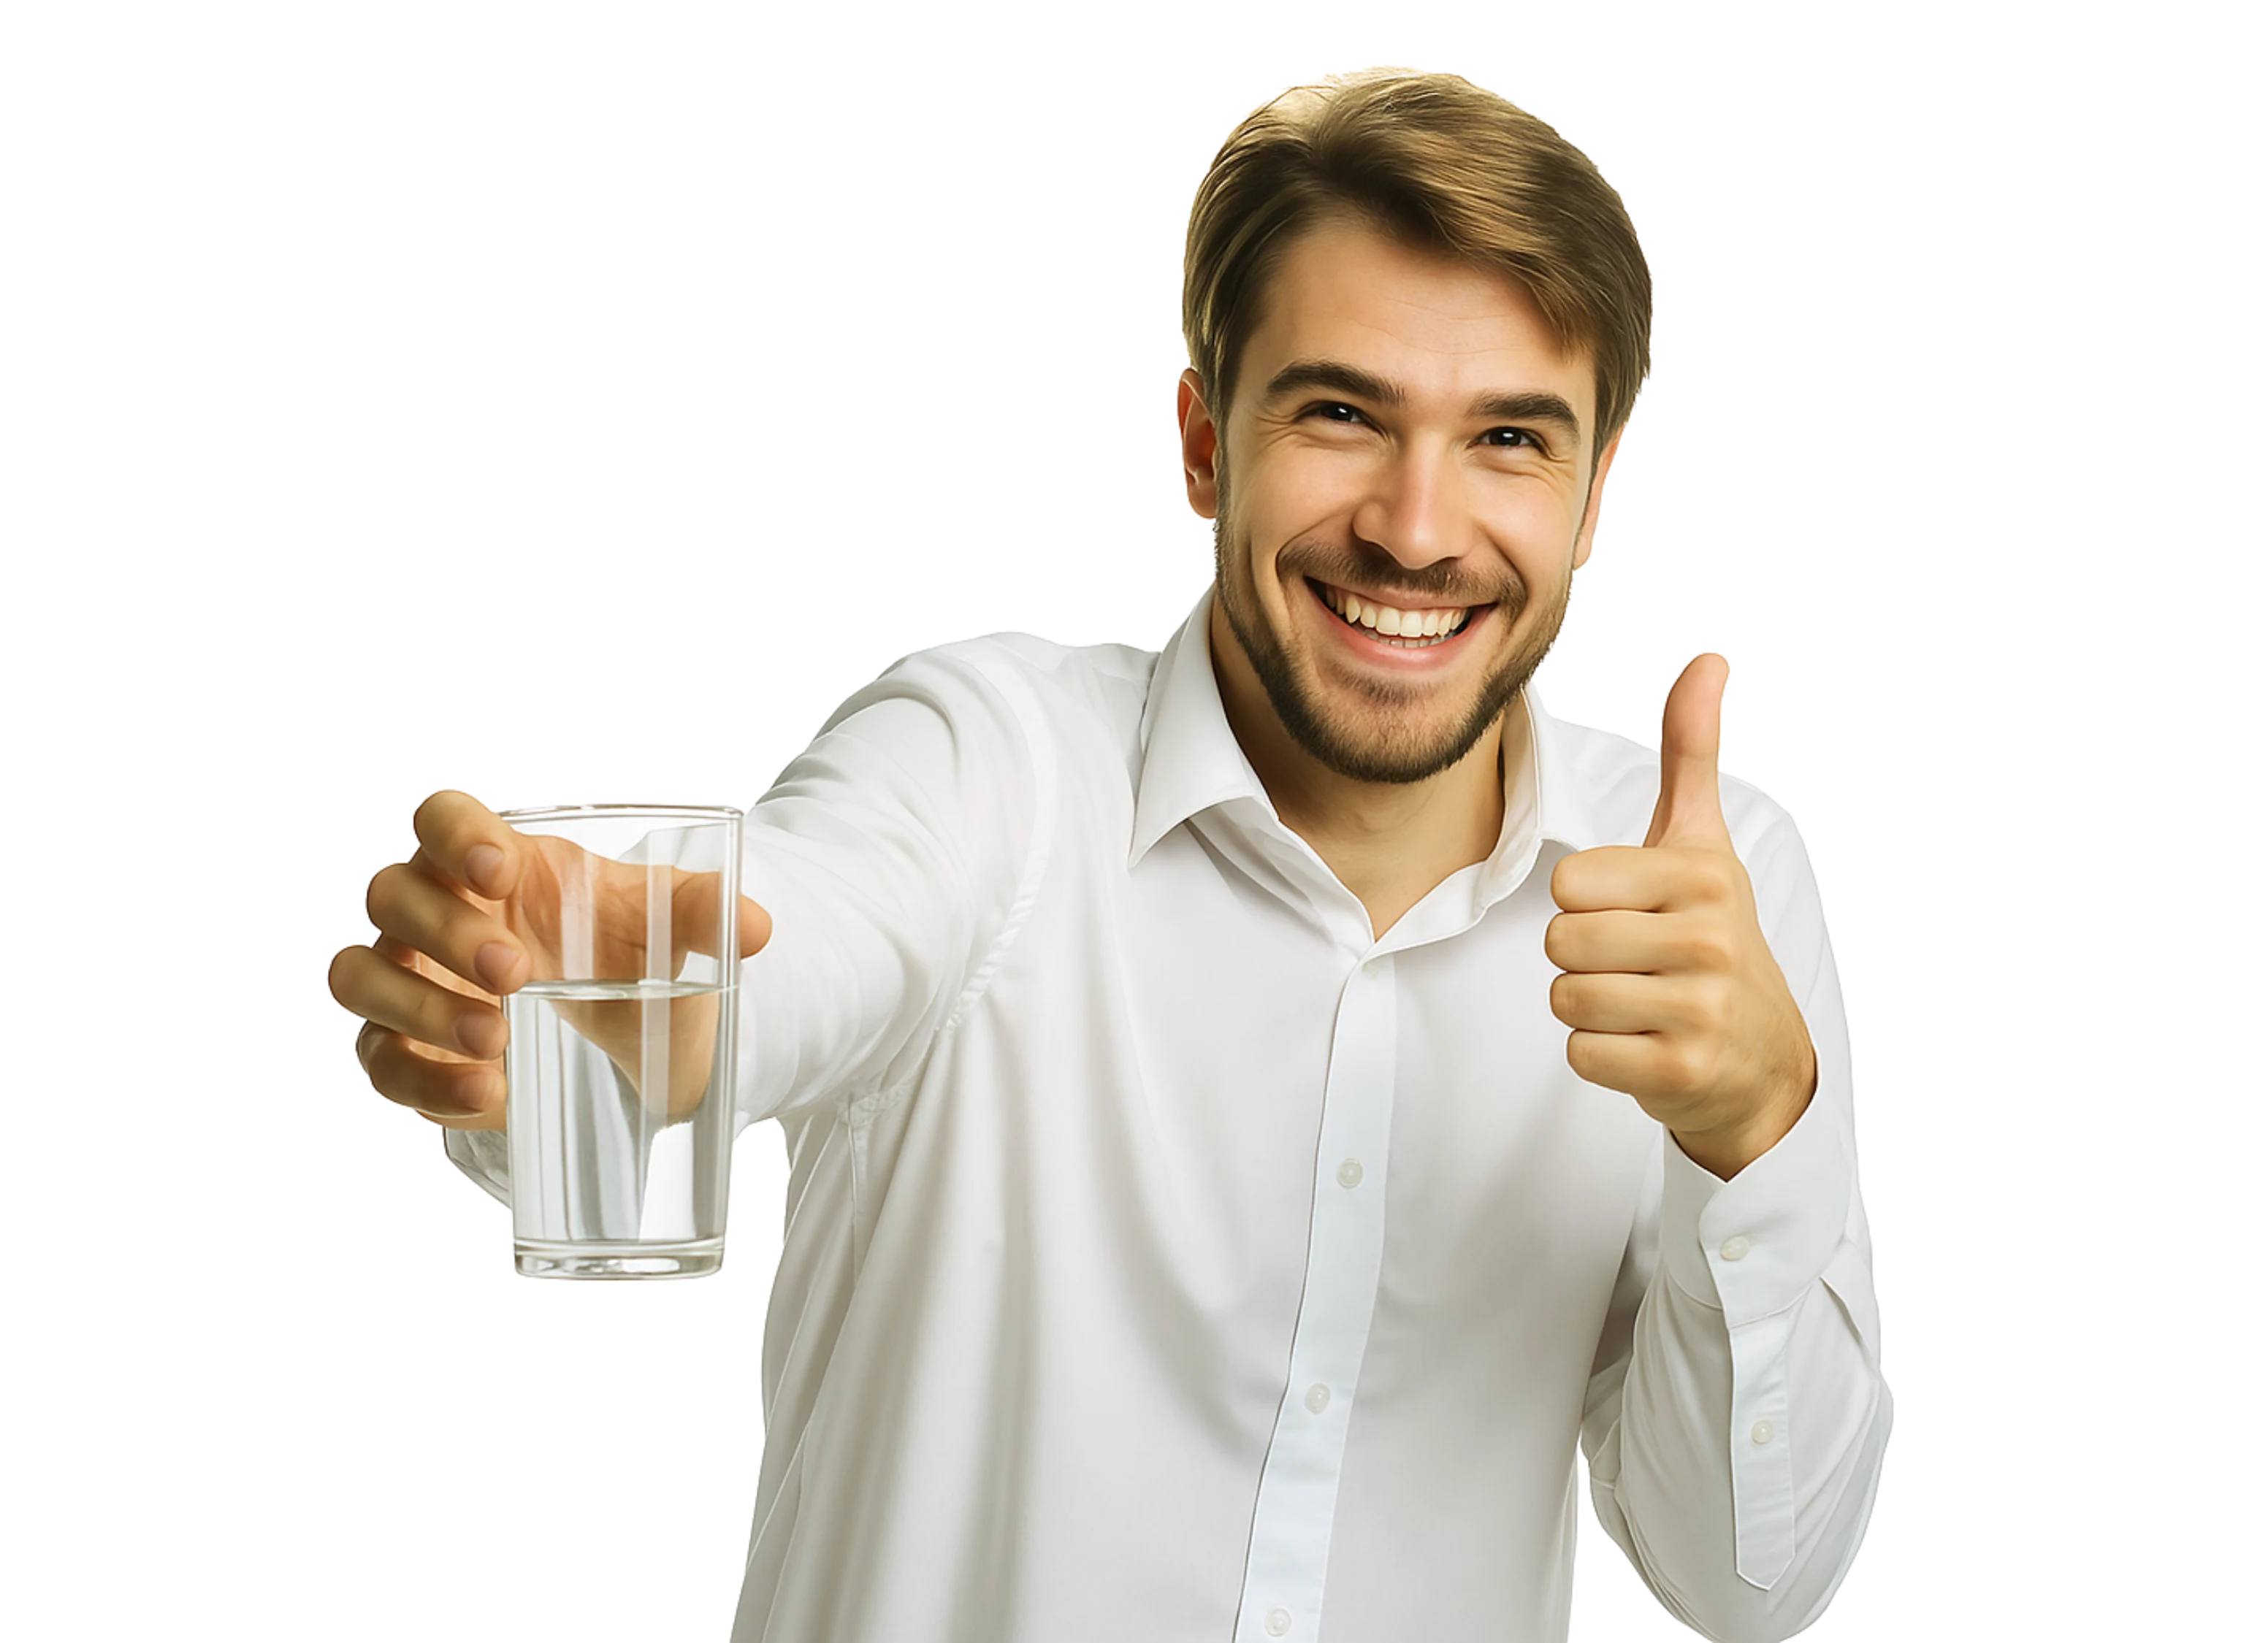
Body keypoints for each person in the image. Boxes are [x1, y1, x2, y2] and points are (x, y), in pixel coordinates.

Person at [329, 64, 1890, 1642]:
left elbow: (1747, 1589)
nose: (1418, 529)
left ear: (1596, 493)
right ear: (1204, 445)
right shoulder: (991, 759)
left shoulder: (1710, 879)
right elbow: (800, 934)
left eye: (1506, 438)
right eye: (1341, 413)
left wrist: (1755, 1134)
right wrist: (590, 1018)